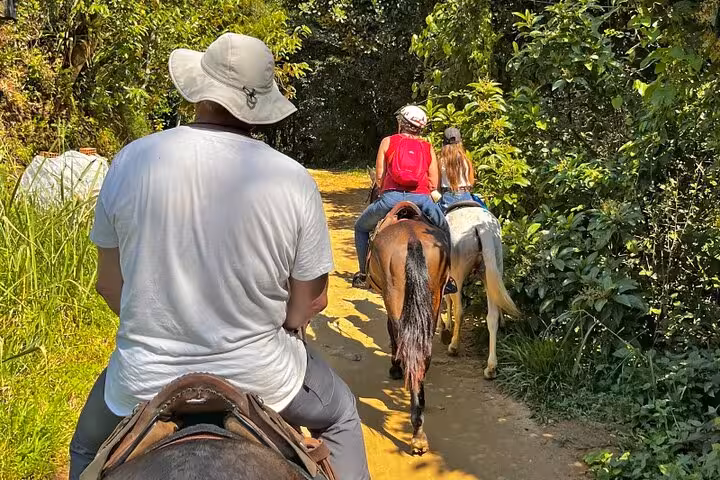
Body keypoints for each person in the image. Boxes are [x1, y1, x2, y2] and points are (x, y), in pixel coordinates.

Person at [69, 33, 370, 480]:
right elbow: (311, 302)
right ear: (260, 107)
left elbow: (109, 285)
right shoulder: (292, 179)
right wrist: (284, 323)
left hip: (144, 379)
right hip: (265, 377)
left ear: (199, 91)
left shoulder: (131, 161)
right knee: (341, 415)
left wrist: (155, 322)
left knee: (86, 448)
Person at [352, 106, 451, 288]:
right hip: (422, 199)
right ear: (420, 127)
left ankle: (364, 273)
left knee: (361, 228)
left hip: (390, 199)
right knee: (445, 228)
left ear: (402, 123)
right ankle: (448, 276)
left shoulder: (387, 142)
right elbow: (433, 183)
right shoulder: (427, 147)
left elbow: (380, 178)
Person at [435, 127, 488, 213]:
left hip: (447, 199)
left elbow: (437, 186)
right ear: (460, 142)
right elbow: (471, 182)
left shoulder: (440, 161)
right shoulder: (466, 160)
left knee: (430, 219)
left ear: (443, 143)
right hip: (466, 196)